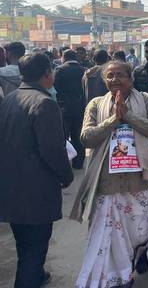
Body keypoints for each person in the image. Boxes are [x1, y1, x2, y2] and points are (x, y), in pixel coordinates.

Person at [71, 61, 148, 288]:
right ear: (104, 81)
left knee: (138, 233)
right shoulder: (95, 104)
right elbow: (86, 137)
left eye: (120, 74)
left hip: (137, 180)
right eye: (110, 76)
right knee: (108, 237)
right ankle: (119, 278)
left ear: (130, 78)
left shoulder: (145, 100)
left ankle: (137, 256)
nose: (115, 79)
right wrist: (113, 120)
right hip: (106, 182)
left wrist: (129, 116)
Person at [0, 52, 74, 288]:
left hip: (10, 188)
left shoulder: (10, 99)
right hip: (35, 191)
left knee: (24, 244)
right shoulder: (44, 103)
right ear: (47, 74)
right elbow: (53, 150)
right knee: (34, 250)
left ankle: (37, 276)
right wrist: (66, 176)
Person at [54, 49, 86, 170]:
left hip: (63, 107)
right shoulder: (83, 70)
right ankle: (79, 162)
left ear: (63, 57)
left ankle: (65, 162)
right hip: (80, 107)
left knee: (63, 136)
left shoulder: (59, 70)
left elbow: (54, 87)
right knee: (78, 135)